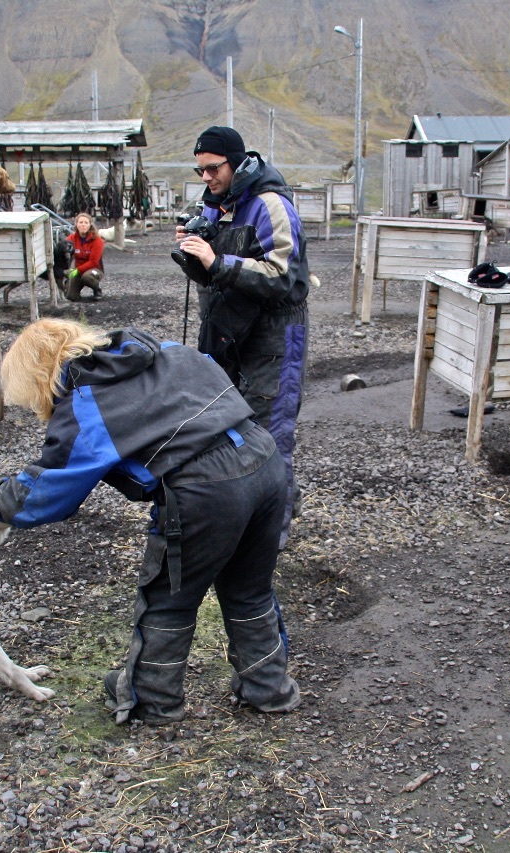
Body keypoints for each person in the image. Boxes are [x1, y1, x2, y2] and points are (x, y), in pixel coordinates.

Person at [0, 318, 301, 724]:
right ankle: (269, 689)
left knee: (169, 598)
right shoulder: (166, 348)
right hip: (265, 459)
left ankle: (151, 699)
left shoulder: (86, 401)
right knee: (250, 589)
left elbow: (46, 495)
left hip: (207, 489)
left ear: (40, 376)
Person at [174, 126, 311, 547]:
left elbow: (283, 276)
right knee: (229, 426)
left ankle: (271, 539)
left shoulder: (271, 206)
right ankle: (273, 502)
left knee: (271, 431)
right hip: (228, 332)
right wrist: (192, 256)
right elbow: (214, 276)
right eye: (200, 171)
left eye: (213, 168)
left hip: (275, 336)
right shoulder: (215, 206)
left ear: (237, 161)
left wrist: (217, 260)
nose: (206, 178)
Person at [64, 212, 104, 301]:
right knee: (71, 297)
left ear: (90, 225)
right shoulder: (71, 238)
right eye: (80, 222)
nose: (83, 225)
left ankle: (97, 289)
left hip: (95, 269)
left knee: (87, 277)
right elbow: (65, 254)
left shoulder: (97, 240)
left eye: (86, 223)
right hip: (78, 270)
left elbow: (93, 262)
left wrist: (77, 270)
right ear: (76, 224)